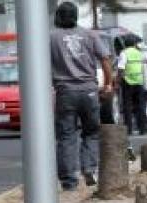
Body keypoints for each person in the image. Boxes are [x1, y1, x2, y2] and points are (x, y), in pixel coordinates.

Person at [50, 1, 114, 191]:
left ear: (59, 16)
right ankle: (89, 168)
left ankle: (69, 180)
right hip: (89, 90)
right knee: (91, 132)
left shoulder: (50, 37)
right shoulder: (90, 35)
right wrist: (108, 84)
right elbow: (105, 59)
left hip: (65, 92)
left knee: (66, 136)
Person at [117, 36, 147, 135]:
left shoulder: (124, 53)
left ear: (125, 44)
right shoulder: (139, 53)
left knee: (127, 106)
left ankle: (129, 129)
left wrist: (118, 80)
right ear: (134, 44)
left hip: (128, 82)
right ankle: (142, 129)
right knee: (140, 106)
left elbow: (121, 68)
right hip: (139, 81)